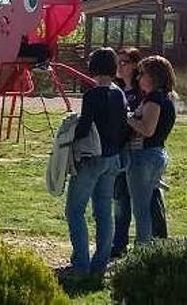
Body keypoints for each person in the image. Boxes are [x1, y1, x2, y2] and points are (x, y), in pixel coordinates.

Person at [66, 47, 127, 277]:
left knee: (75, 210)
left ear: (94, 67)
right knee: (103, 211)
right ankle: (100, 264)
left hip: (92, 158)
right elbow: (123, 127)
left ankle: (81, 263)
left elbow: (84, 128)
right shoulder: (119, 93)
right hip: (112, 158)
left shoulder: (92, 95)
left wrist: (68, 137)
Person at [111, 48, 167, 258]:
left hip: (140, 153)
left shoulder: (144, 93)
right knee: (120, 200)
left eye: (124, 62)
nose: (120, 66)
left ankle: (152, 246)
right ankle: (119, 243)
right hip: (121, 151)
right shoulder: (117, 90)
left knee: (145, 203)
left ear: (135, 65)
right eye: (118, 62)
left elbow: (147, 125)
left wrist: (129, 120)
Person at [126, 55, 176, 246]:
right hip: (154, 155)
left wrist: (127, 117)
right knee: (147, 205)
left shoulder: (154, 98)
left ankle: (143, 249)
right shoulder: (166, 97)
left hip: (144, 156)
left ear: (154, 76)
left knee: (141, 209)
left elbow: (147, 129)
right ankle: (152, 246)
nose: (138, 79)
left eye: (142, 74)